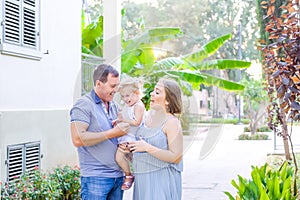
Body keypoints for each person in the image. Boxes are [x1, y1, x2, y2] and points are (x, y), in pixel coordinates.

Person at [70, 64, 130, 200]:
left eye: (117, 86)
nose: (116, 91)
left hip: (117, 177)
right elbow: (77, 139)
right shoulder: (83, 105)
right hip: (95, 179)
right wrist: (114, 132)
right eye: (112, 86)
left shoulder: (114, 105)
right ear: (98, 83)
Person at [127, 78, 184, 200]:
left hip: (161, 183)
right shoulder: (146, 118)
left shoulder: (171, 123)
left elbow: (176, 156)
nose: (152, 94)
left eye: (157, 92)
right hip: (143, 183)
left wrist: (147, 148)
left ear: (168, 100)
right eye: (153, 90)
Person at [114, 77, 146, 190]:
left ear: (137, 93)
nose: (125, 99)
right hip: (127, 136)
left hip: (135, 137)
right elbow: (125, 119)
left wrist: (123, 120)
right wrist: (118, 121)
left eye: (128, 96)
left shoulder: (139, 106)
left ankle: (130, 176)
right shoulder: (129, 105)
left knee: (122, 156)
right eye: (123, 96)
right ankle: (129, 174)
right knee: (120, 157)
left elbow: (136, 122)